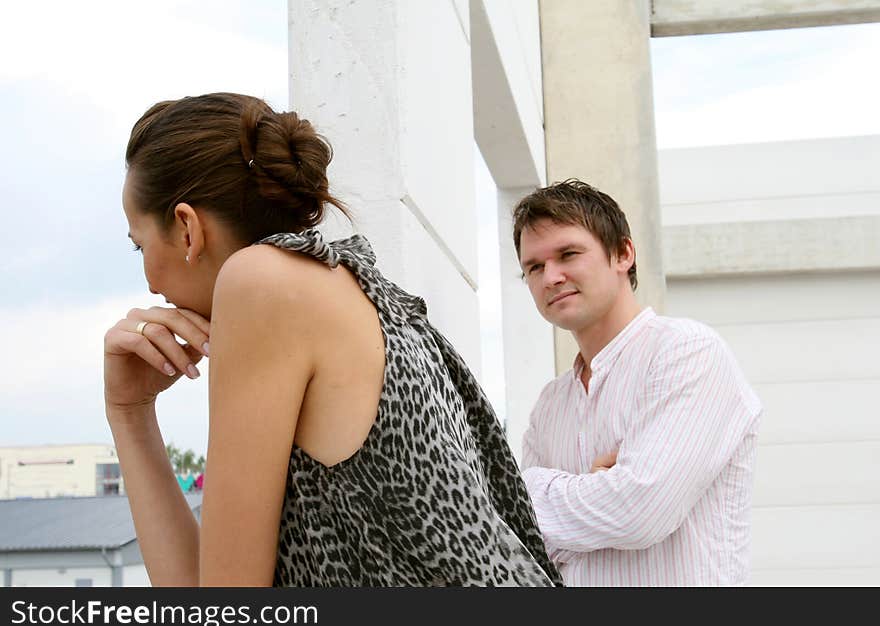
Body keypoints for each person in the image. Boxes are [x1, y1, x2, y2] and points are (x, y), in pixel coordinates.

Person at [103, 92, 561, 587]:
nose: (150, 284)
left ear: (188, 229)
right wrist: (129, 409)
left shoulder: (260, 283)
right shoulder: (362, 287)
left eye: (140, 246)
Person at [512, 179, 762, 586]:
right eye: (534, 267)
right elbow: (521, 542)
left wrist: (532, 487)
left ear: (623, 254)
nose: (551, 277)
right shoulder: (550, 404)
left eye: (568, 254)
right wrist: (595, 492)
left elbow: (640, 512)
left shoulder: (687, 352)